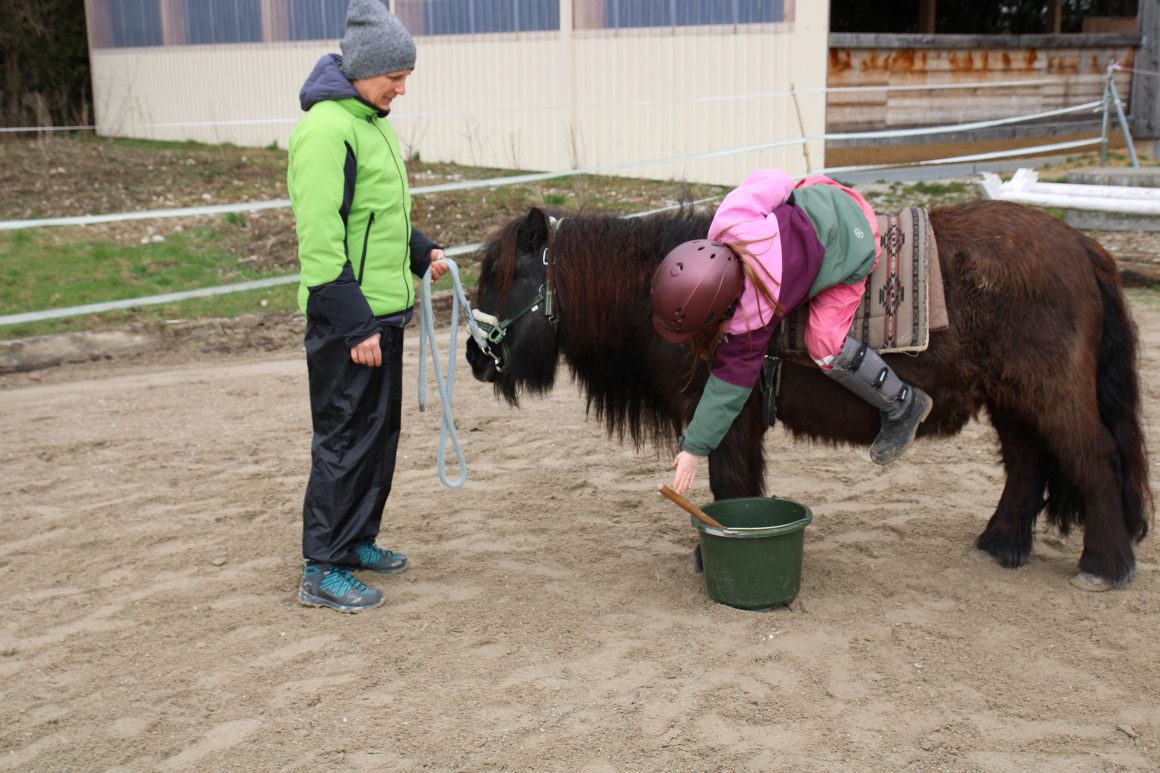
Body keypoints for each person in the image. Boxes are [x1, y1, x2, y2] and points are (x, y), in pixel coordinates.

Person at [287, 0, 449, 612]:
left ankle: (356, 542)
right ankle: (321, 568)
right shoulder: (328, 130)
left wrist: (420, 250)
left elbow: (378, 220)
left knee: (378, 436)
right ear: (363, 68)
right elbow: (322, 239)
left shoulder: (372, 119)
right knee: (345, 438)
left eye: (406, 77)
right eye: (395, 76)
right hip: (348, 320)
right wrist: (354, 322)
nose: (402, 88)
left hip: (381, 312)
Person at [651, 168, 933, 495]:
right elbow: (776, 180)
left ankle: (902, 403)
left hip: (855, 244)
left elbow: (727, 391)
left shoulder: (755, 314)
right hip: (826, 197)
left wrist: (694, 448)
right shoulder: (730, 217)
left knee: (824, 344)